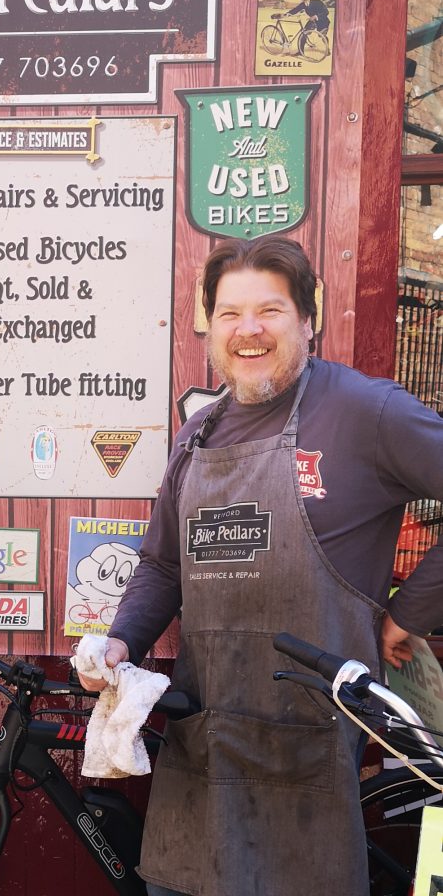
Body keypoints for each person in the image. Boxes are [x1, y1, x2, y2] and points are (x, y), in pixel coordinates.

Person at [77, 237, 443, 896]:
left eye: (269, 311)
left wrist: (409, 613)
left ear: (308, 320)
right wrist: (121, 639)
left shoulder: (365, 411)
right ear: (209, 327)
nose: (248, 330)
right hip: (205, 746)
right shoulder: (197, 436)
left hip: (313, 754)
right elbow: (163, 564)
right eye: (228, 313)